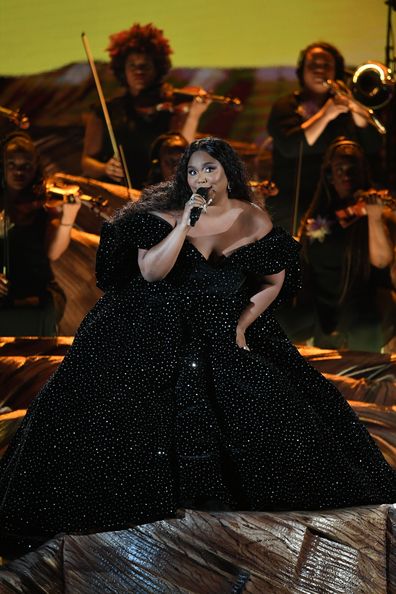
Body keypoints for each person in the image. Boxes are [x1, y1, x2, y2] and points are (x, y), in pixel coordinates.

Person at [0, 137, 395, 559]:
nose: (200, 178)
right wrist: (184, 224)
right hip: (145, 328)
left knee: (280, 417)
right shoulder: (160, 217)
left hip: (220, 330)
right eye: (192, 171)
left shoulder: (252, 218)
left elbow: (274, 280)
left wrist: (242, 325)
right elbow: (151, 272)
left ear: (228, 173)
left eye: (209, 169)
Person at [282, 137, 395, 352]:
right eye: (339, 168)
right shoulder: (319, 214)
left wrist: (374, 218)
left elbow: (381, 260)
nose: (346, 175)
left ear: (363, 172)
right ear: (329, 175)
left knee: (364, 333)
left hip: (360, 309)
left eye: (353, 169)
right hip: (318, 306)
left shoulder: (376, 210)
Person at [267, 41, 383, 233]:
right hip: (294, 205)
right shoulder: (285, 105)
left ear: (336, 71)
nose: (319, 70)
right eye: (313, 65)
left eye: (326, 66)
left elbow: (371, 146)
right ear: (302, 71)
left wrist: (356, 107)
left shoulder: (345, 107)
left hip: (342, 204)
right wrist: (326, 114)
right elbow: (291, 147)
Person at [81, 23, 208, 190]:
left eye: (145, 66)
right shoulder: (105, 111)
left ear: (157, 69)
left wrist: (193, 116)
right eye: (132, 65)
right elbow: (86, 163)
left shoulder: (170, 110)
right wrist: (105, 168)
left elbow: (182, 158)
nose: (138, 71)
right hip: (116, 197)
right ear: (122, 70)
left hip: (158, 198)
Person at [0, 132, 81, 336]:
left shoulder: (44, 206)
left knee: (42, 316)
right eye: (12, 165)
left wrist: (68, 219)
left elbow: (53, 253)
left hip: (39, 292)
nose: (19, 173)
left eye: (26, 166)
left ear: (35, 167)